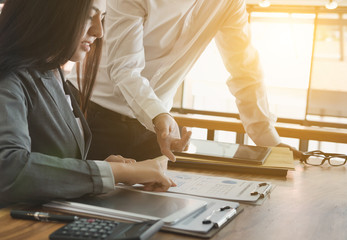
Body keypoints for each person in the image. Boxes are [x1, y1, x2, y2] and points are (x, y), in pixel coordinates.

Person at [68, 0, 301, 162]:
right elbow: (125, 68)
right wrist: (159, 115)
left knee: (157, 208)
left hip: (155, 127)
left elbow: (246, 70)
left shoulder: (229, 4)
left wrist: (268, 141)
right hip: (91, 113)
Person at [0, 0, 174, 205]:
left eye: (101, 18)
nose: (99, 31)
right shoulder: (9, 80)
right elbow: (8, 171)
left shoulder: (50, 70)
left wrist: (100, 168)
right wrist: (117, 171)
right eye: (89, 17)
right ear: (49, 12)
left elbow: (47, 157)